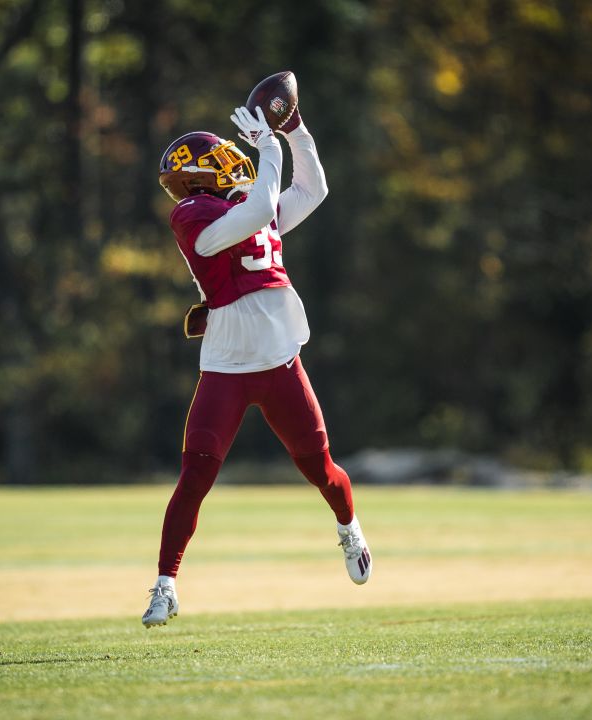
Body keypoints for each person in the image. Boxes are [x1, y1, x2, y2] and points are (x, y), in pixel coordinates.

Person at [141, 103, 371, 628]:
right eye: (220, 158)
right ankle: (166, 585)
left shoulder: (244, 204)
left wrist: (295, 131)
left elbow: (312, 192)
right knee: (195, 474)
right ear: (200, 176)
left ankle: (348, 527)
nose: (232, 161)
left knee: (321, 469)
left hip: (279, 360)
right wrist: (268, 147)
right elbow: (260, 205)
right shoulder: (193, 215)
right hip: (226, 364)